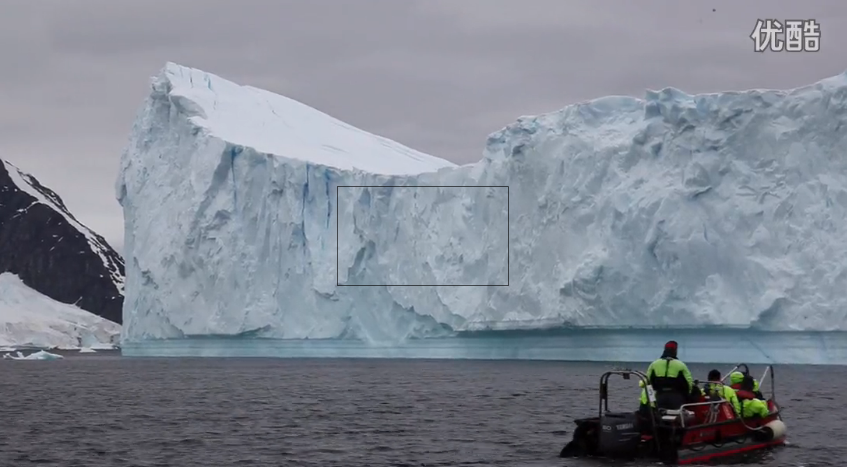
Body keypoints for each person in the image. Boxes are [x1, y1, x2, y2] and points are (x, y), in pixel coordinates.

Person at [646, 340, 694, 410]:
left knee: (659, 416)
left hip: (660, 395)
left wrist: (651, 398)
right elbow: (689, 382)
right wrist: (687, 396)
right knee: (677, 417)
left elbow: (647, 381)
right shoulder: (680, 365)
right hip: (676, 396)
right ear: (675, 351)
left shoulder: (654, 364)